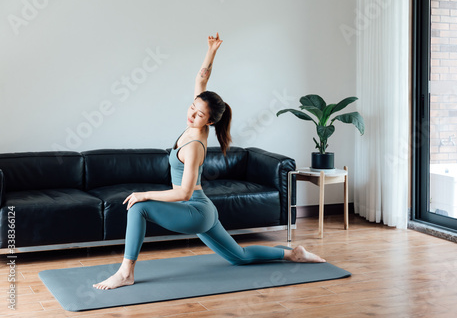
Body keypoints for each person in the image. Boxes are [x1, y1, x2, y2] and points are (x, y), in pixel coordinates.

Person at [93, 33, 326, 290]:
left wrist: (145, 194)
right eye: (193, 106)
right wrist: (212, 50)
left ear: (210, 122)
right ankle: (293, 253)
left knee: (138, 207)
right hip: (205, 209)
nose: (192, 113)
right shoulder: (198, 126)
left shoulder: (194, 145)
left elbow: (183, 193)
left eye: (199, 113)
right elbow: (201, 78)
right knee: (240, 257)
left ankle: (126, 273)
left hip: (195, 211)